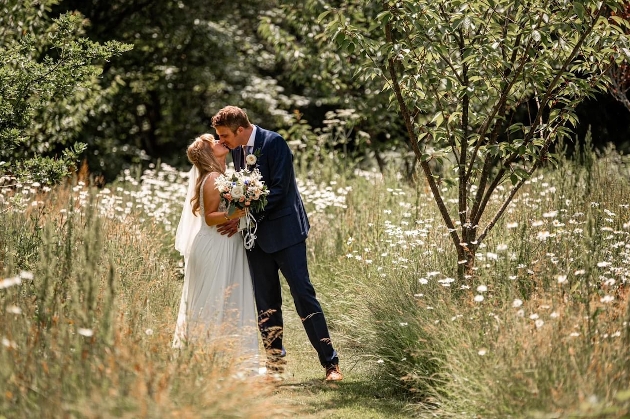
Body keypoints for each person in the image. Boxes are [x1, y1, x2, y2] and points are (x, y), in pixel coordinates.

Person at [211, 106, 343, 381]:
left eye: (224, 135)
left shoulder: (274, 143)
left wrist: (244, 212)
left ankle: (331, 364)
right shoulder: (234, 150)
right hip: (255, 238)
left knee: (303, 295)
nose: (222, 140)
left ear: (240, 129)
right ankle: (274, 367)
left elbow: (282, 190)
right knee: (266, 303)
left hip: (286, 233)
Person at [172, 134, 259, 371]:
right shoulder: (211, 178)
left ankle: (223, 359)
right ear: (209, 153)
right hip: (214, 244)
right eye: (213, 142)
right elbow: (210, 218)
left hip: (225, 243)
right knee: (212, 301)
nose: (219, 141)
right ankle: (203, 362)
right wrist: (239, 212)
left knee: (226, 299)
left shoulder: (222, 176)